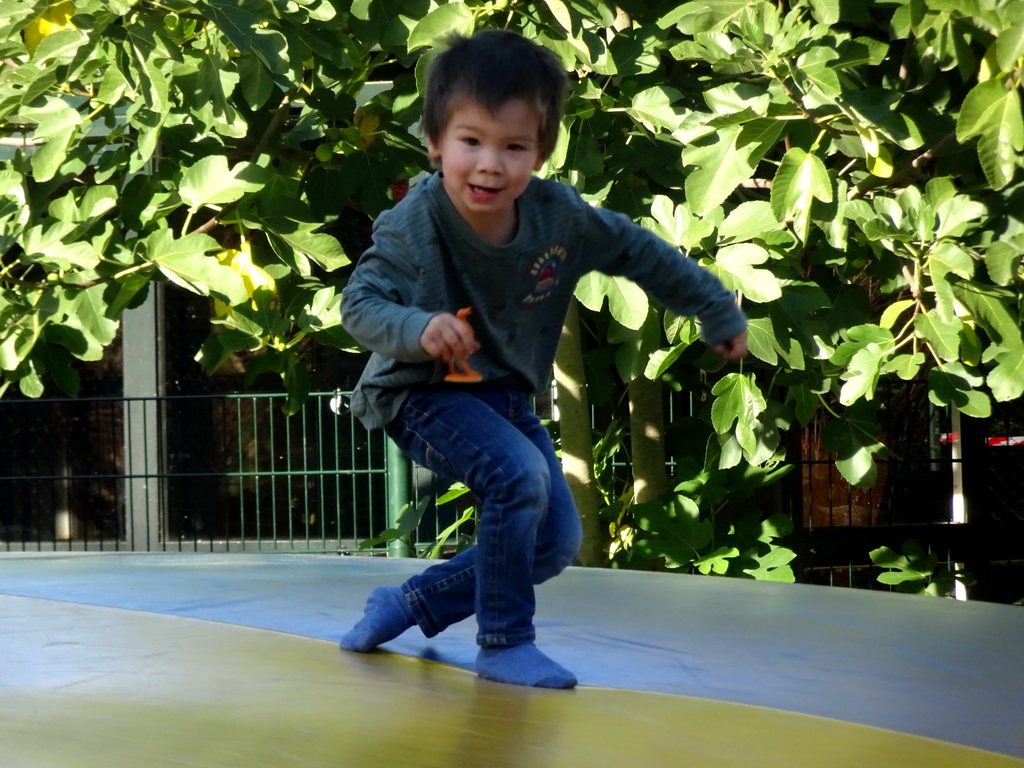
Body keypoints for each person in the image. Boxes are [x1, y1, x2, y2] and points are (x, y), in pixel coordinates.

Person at [338, 29, 748, 690]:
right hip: (420, 393)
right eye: (471, 141)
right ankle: (503, 643)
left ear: (541, 152)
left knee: (554, 543)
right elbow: (360, 304)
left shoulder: (561, 218)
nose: (490, 166)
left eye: (514, 147)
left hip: (504, 397)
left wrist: (715, 309)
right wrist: (419, 327)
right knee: (516, 477)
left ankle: (408, 604)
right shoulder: (415, 222)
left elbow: (641, 251)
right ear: (436, 141)